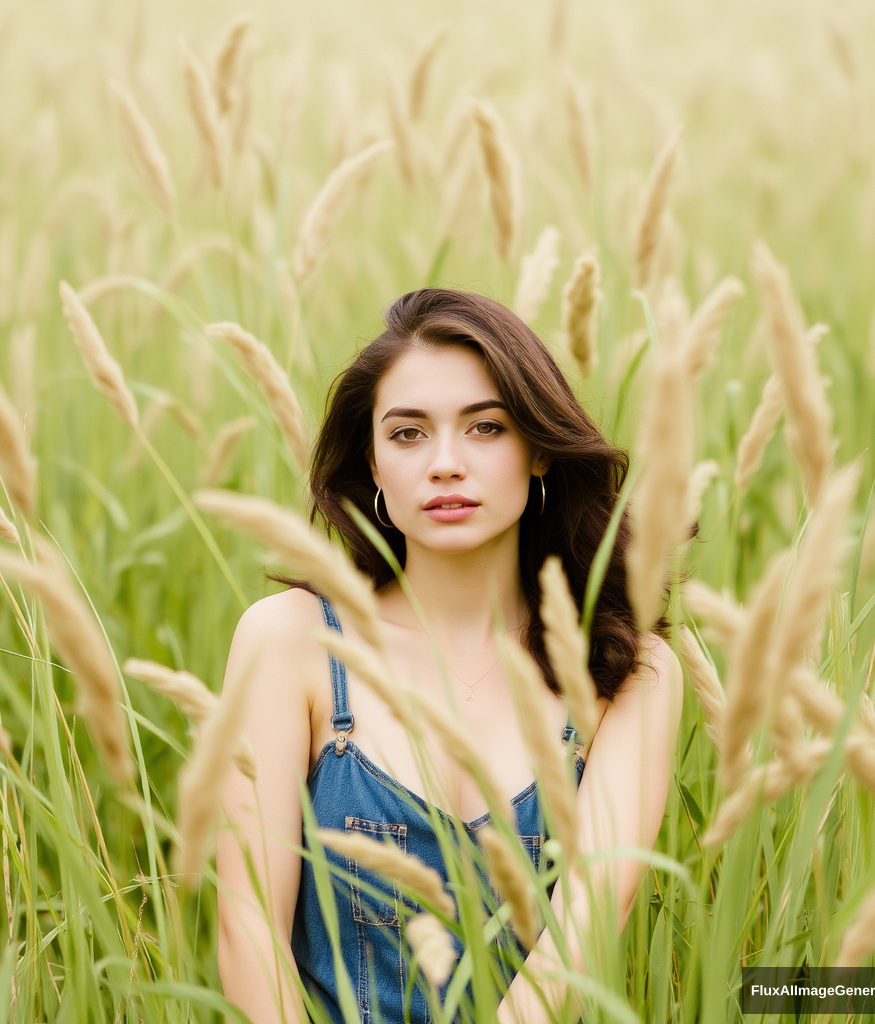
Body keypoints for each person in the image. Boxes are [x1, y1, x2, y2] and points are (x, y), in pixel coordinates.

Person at [215, 288, 683, 1024]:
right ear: (371, 463)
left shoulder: (628, 670)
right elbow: (246, 934)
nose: (445, 464)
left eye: (486, 428)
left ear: (537, 453)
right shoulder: (293, 641)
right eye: (407, 434)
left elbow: (586, 932)